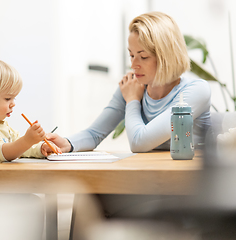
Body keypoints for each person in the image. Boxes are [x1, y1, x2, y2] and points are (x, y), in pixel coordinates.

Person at [47, 11, 212, 239]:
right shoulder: (133, 85)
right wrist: (66, 143)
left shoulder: (195, 91)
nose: (134, 65)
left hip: (184, 190)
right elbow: (96, 133)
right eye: (131, 55)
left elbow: (140, 142)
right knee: (90, 193)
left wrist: (133, 100)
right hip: (145, 181)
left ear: (165, 56)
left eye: (142, 57)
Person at [0, 57, 61, 240]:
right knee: (32, 205)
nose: (13, 103)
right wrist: (28, 139)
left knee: (33, 203)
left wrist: (39, 148)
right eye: (8, 98)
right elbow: (2, 152)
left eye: (14, 98)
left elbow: (17, 145)